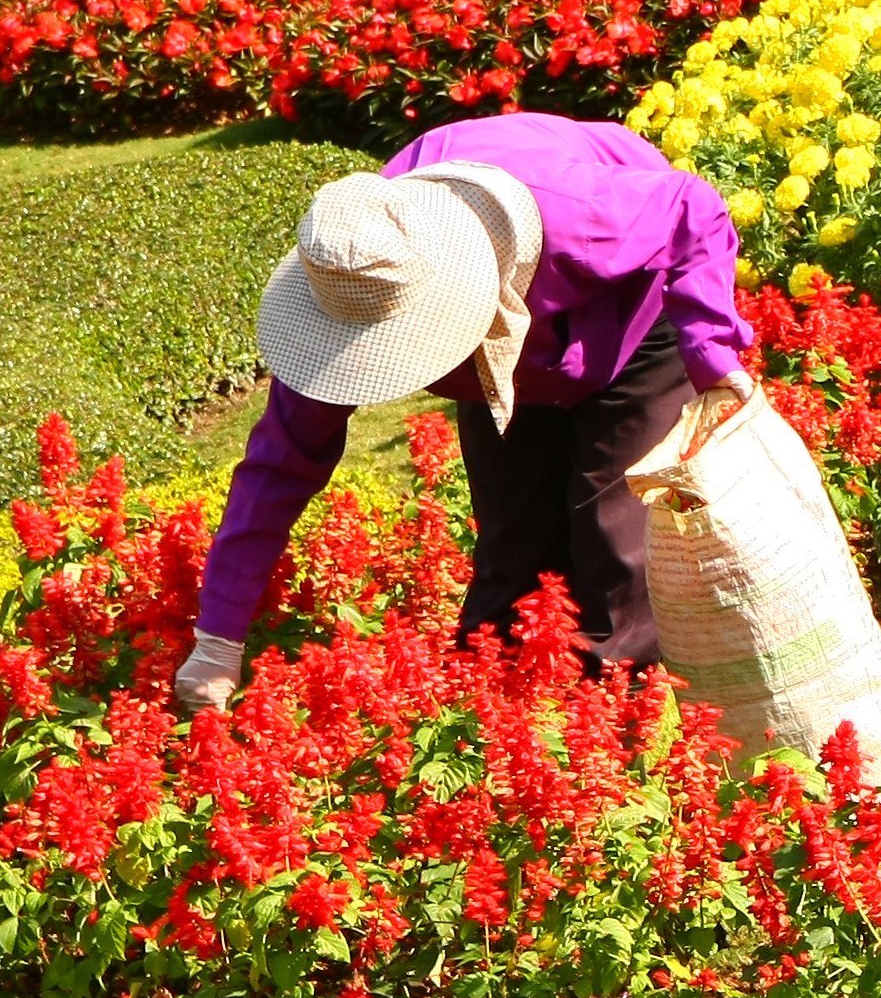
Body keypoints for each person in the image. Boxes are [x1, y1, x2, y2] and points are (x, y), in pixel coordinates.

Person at [175, 112, 760, 712]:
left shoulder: (580, 215)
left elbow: (694, 208)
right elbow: (280, 463)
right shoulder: (356, 277)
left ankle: (621, 740)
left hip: (630, 319)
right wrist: (218, 638)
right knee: (511, 556)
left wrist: (710, 351)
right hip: (504, 361)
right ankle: (495, 726)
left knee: (615, 549)